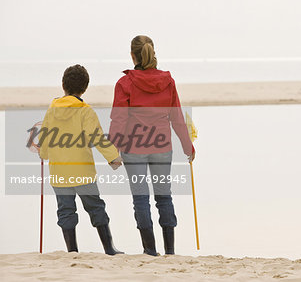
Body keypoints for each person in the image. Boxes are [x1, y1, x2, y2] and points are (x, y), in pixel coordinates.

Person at [109, 35, 195, 256]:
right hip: (162, 148)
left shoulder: (124, 83)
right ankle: (170, 251)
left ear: (132, 55)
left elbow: (118, 120)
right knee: (164, 197)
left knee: (141, 199)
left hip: (133, 148)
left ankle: (150, 251)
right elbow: (177, 118)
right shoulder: (168, 81)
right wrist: (188, 147)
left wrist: (112, 151)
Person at [39, 64, 124, 255]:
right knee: (95, 207)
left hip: (59, 172)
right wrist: (113, 158)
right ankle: (109, 248)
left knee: (66, 210)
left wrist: (43, 154)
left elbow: (45, 138)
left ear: (63, 85)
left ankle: (72, 251)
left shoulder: (51, 109)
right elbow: (97, 138)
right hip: (83, 173)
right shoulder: (85, 110)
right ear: (85, 88)